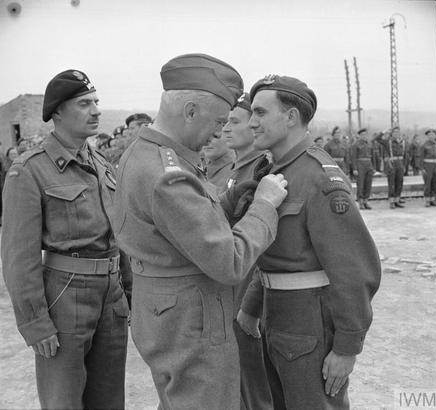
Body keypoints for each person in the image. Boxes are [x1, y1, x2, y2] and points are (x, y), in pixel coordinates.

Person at [113, 54, 288, 410]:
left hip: (164, 311)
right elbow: (230, 262)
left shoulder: (145, 153)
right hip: (192, 321)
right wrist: (265, 205)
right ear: (190, 111)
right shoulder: (168, 174)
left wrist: (232, 198)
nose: (219, 132)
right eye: (219, 121)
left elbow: (179, 228)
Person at [236, 74, 381, 409]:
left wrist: (347, 347)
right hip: (278, 317)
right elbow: (271, 256)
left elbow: (354, 270)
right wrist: (252, 308)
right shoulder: (274, 169)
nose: (252, 122)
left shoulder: (319, 177)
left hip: (309, 324)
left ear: (290, 117)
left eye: (260, 113)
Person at [1, 69, 131, 410]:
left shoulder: (103, 165)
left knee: (109, 400)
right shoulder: (30, 171)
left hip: (111, 295)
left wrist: (129, 293)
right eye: (85, 103)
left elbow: (120, 236)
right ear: (57, 111)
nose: (97, 110)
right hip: (64, 295)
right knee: (64, 401)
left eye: (97, 102)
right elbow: (19, 258)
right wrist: (35, 323)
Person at [222, 92, 273, 410]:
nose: (226, 128)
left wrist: (252, 305)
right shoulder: (236, 172)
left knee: (254, 390)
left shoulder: (262, 174)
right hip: (228, 289)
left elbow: (266, 246)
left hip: (247, 296)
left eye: (234, 121)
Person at [374, 127, 407, 209]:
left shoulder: (402, 142)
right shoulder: (387, 142)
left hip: (400, 164)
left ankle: (397, 200)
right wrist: (384, 131)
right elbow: (377, 139)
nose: (396, 134)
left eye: (398, 132)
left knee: (399, 182)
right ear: (391, 134)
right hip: (392, 164)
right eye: (395, 132)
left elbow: (406, 155)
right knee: (392, 183)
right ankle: (391, 201)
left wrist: (405, 165)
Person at [351, 128, 375, 209]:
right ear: (359, 135)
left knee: (368, 184)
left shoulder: (369, 144)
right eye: (362, 135)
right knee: (360, 184)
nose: (364, 136)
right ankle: (360, 202)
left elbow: (372, 156)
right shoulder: (355, 144)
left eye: (365, 134)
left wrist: (373, 167)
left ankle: (366, 201)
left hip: (369, 165)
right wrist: (354, 169)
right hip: (360, 165)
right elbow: (353, 157)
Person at [420, 128, 436, 207]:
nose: (432, 136)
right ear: (427, 136)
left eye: (433, 135)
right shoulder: (424, 145)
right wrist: (422, 168)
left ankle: (433, 200)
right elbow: (421, 157)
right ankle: (427, 200)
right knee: (428, 183)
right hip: (428, 166)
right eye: (430, 135)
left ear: (435, 136)